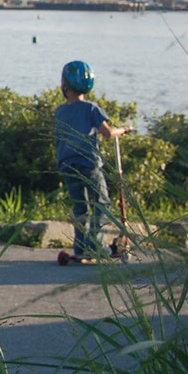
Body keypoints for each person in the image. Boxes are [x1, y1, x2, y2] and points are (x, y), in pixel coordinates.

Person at [54, 60, 133, 263]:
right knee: (101, 203)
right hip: (88, 163)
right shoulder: (91, 109)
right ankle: (95, 246)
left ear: (65, 85)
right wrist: (123, 130)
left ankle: (81, 248)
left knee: (80, 207)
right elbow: (107, 133)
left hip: (67, 164)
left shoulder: (60, 112)